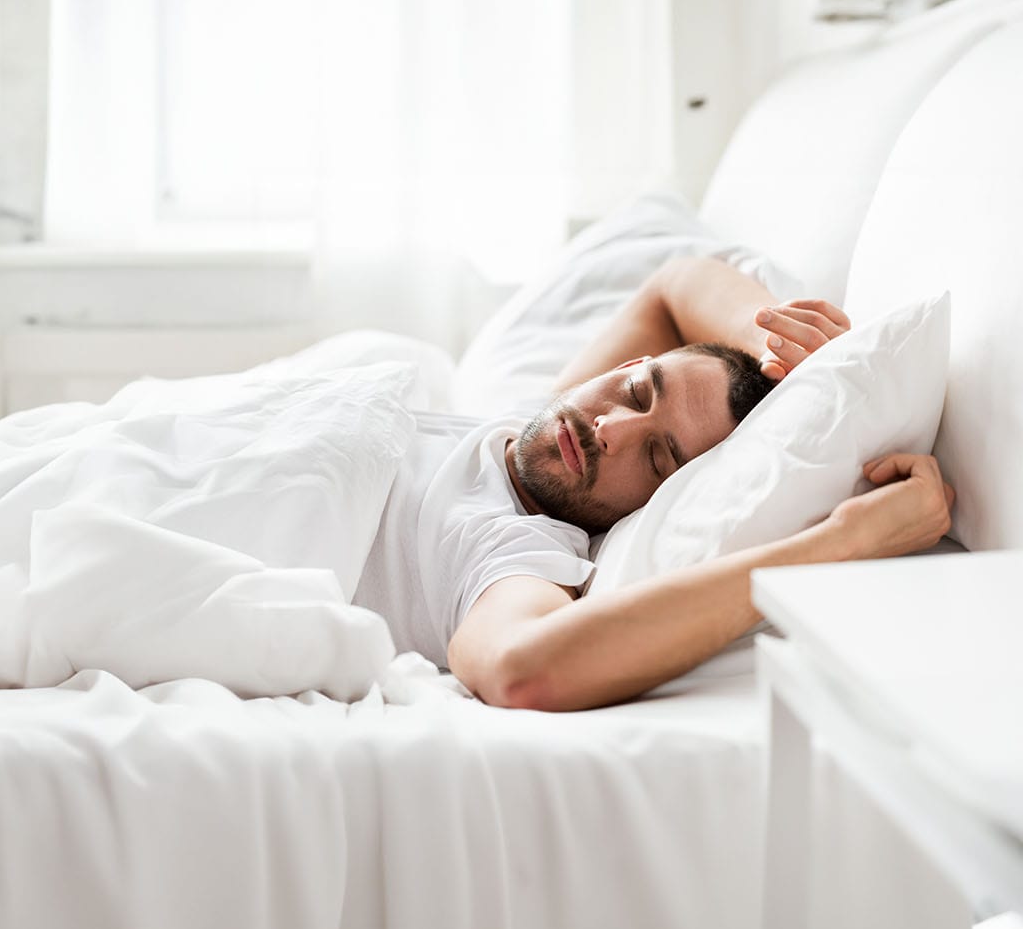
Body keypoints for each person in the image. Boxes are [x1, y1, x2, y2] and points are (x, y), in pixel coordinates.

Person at [352, 256, 956, 711]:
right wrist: (775, 346)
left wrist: (841, 543)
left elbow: (519, 668)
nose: (608, 429)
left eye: (657, 459)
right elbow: (673, 288)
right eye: (638, 392)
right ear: (625, 367)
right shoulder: (536, 421)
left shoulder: (515, 545)